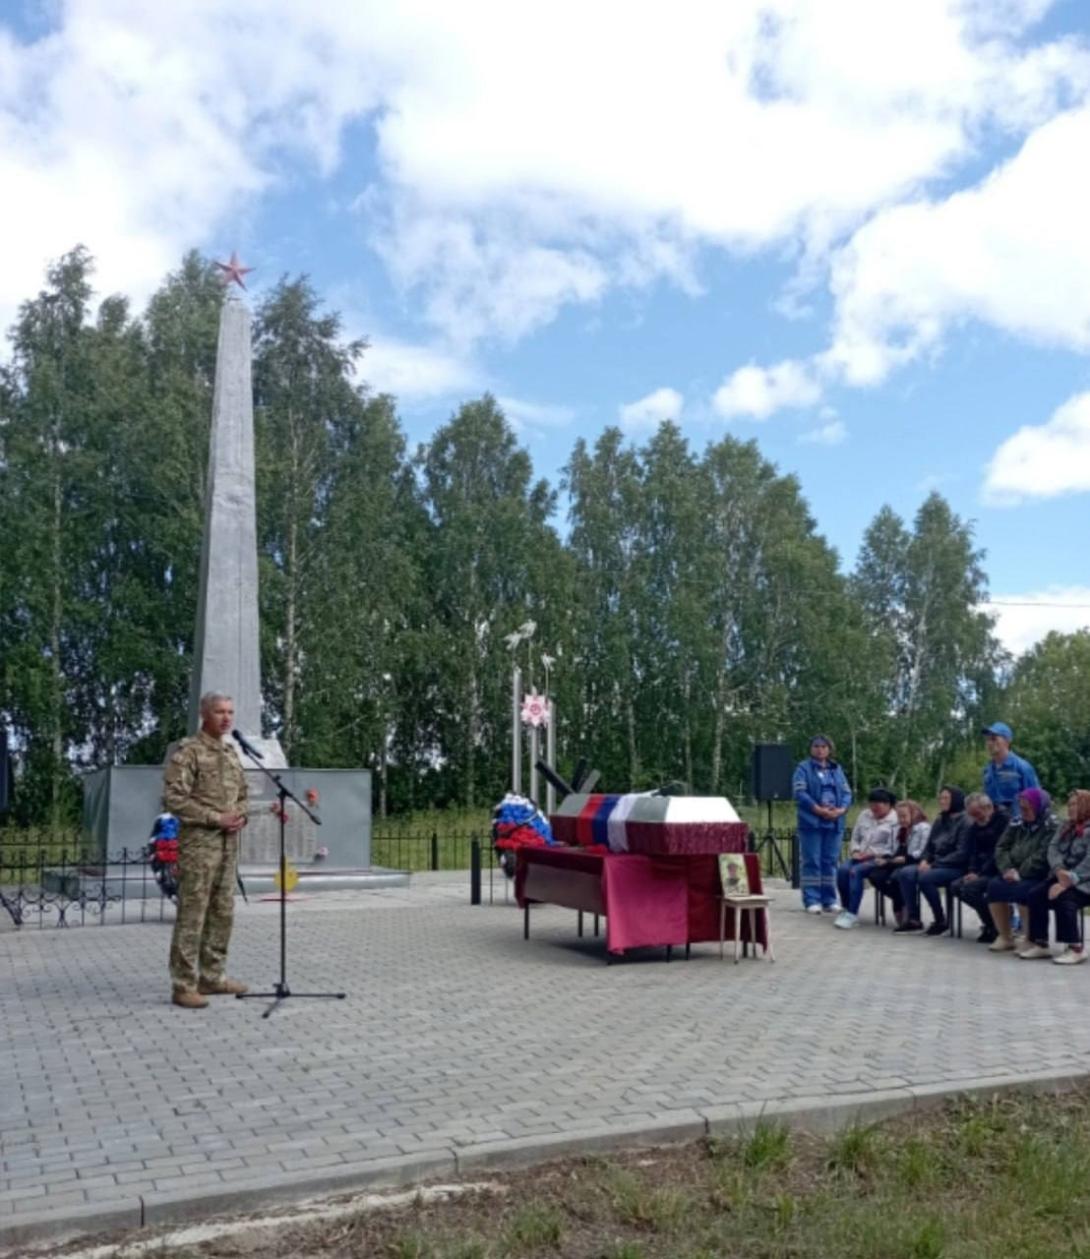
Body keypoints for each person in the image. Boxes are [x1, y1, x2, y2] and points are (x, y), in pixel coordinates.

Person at [163, 691, 250, 1009]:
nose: (226, 717)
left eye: (230, 711)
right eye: (219, 712)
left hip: (228, 846)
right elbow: (173, 798)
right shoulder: (190, 752)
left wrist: (240, 814)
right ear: (204, 714)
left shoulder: (230, 753)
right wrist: (216, 818)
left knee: (222, 912)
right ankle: (183, 984)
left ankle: (212, 976)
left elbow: (243, 793)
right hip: (199, 846)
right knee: (193, 914)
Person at [1019, 790, 1090, 964]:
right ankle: (1041, 943)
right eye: (1070, 804)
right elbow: (1053, 848)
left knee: (1065, 899)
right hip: (1062, 875)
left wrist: (1069, 879)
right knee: (1035, 894)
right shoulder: (1065, 825)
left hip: (1084, 880)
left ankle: (1076, 948)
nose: (1071, 808)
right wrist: (1059, 871)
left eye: (1076, 804)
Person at [984, 787, 1057, 954]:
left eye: (1026, 808)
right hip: (1013, 871)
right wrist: (1007, 869)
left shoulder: (1051, 825)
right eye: (1021, 807)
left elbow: (1043, 854)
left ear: (1038, 806)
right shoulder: (1016, 822)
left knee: (1025, 891)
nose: (1022, 811)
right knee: (994, 886)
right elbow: (1002, 847)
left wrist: (1020, 872)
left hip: (1038, 874)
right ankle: (1005, 936)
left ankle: (1029, 937)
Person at [891, 787, 969, 935]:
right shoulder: (940, 819)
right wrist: (925, 860)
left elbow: (962, 852)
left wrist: (933, 864)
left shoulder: (965, 821)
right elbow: (929, 846)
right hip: (936, 863)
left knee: (925, 877)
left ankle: (940, 920)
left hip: (955, 866)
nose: (942, 801)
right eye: (941, 798)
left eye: (946, 798)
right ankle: (914, 920)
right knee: (906, 873)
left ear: (956, 799)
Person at [793, 735, 852, 915]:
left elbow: (847, 792)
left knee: (830, 860)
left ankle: (829, 899)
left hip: (834, 821)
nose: (820, 749)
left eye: (824, 746)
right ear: (811, 749)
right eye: (816, 746)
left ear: (829, 749)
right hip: (812, 821)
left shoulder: (836, 769)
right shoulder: (803, 768)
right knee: (812, 860)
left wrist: (841, 810)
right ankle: (812, 899)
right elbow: (800, 792)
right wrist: (817, 809)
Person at [834, 788, 899, 929]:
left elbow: (892, 847)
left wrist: (872, 854)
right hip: (860, 855)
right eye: (872, 805)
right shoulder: (864, 815)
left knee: (855, 872)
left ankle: (852, 914)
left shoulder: (895, 821)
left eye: (878, 806)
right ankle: (846, 907)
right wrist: (856, 850)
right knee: (842, 871)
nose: (874, 809)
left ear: (889, 805)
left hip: (879, 858)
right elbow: (855, 835)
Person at [951, 793, 1009, 943]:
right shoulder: (974, 827)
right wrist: (972, 871)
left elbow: (999, 851)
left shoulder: (1003, 821)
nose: (975, 819)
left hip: (999, 868)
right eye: (971, 815)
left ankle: (997, 927)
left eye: (977, 814)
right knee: (956, 886)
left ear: (988, 807)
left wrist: (981, 873)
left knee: (971, 888)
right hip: (981, 869)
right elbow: (972, 852)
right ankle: (991, 924)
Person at [869, 800, 929, 925]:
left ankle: (904, 911)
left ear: (914, 814)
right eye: (899, 816)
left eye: (904, 816)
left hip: (911, 861)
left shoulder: (923, 828)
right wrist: (885, 857)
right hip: (896, 860)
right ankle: (901, 901)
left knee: (895, 877)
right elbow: (890, 848)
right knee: (875, 875)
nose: (901, 820)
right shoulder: (898, 828)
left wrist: (906, 858)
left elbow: (923, 850)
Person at [981, 722, 1039, 810]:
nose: (989, 743)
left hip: (1018, 821)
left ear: (1007, 740)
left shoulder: (1022, 767)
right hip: (994, 821)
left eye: (994, 739)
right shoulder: (987, 770)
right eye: (987, 739)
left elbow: (1036, 798)